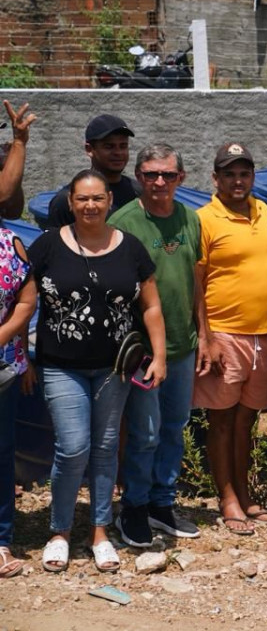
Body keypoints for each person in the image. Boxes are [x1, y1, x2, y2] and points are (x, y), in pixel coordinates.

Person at [32, 169, 167, 573]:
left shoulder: (131, 248)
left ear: (109, 201)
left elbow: (151, 306)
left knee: (107, 448)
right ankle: (59, 531)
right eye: (82, 199)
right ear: (70, 203)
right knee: (73, 447)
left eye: (97, 198)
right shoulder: (47, 246)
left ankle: (100, 532)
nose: (90, 205)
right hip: (61, 366)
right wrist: (20, 352)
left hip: (115, 368)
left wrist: (159, 356)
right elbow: (23, 302)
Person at [110, 144, 203, 547]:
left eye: (167, 174)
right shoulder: (123, 223)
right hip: (142, 351)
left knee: (174, 427)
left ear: (181, 178)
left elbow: (195, 280)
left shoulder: (190, 218)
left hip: (183, 344)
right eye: (150, 174)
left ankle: (162, 504)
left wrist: (204, 335)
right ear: (139, 177)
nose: (159, 181)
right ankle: (133, 507)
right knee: (145, 433)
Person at [193, 143, 267, 536]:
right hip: (224, 333)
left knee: (248, 419)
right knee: (222, 419)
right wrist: (206, 336)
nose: (238, 180)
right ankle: (227, 498)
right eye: (229, 174)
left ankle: (245, 495)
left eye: (244, 173)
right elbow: (197, 281)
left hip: (263, 334)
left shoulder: (264, 211)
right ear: (216, 178)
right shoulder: (204, 219)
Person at [0, 101, 34, 579]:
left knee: (1, 453)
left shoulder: (10, 243)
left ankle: (1, 540)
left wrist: (21, 141)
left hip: (2, 367)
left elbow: (26, 301)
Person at [46, 114, 140, 228]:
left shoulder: (139, 193)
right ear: (89, 149)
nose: (118, 153)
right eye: (109, 146)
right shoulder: (66, 200)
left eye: (123, 146)